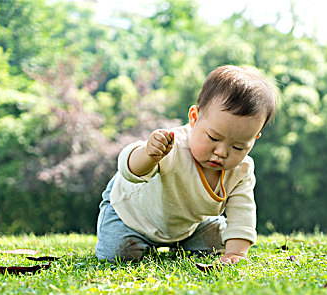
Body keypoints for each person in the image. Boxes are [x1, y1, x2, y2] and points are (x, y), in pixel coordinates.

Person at [95, 65, 278, 265]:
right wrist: (148, 154)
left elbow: (243, 212)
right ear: (194, 117)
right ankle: (139, 241)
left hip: (185, 227)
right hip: (131, 215)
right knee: (118, 255)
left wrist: (235, 253)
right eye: (213, 138)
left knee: (219, 242)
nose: (222, 152)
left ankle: (185, 240)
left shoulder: (241, 170)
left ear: (254, 139)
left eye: (238, 147)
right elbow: (129, 170)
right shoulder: (173, 146)